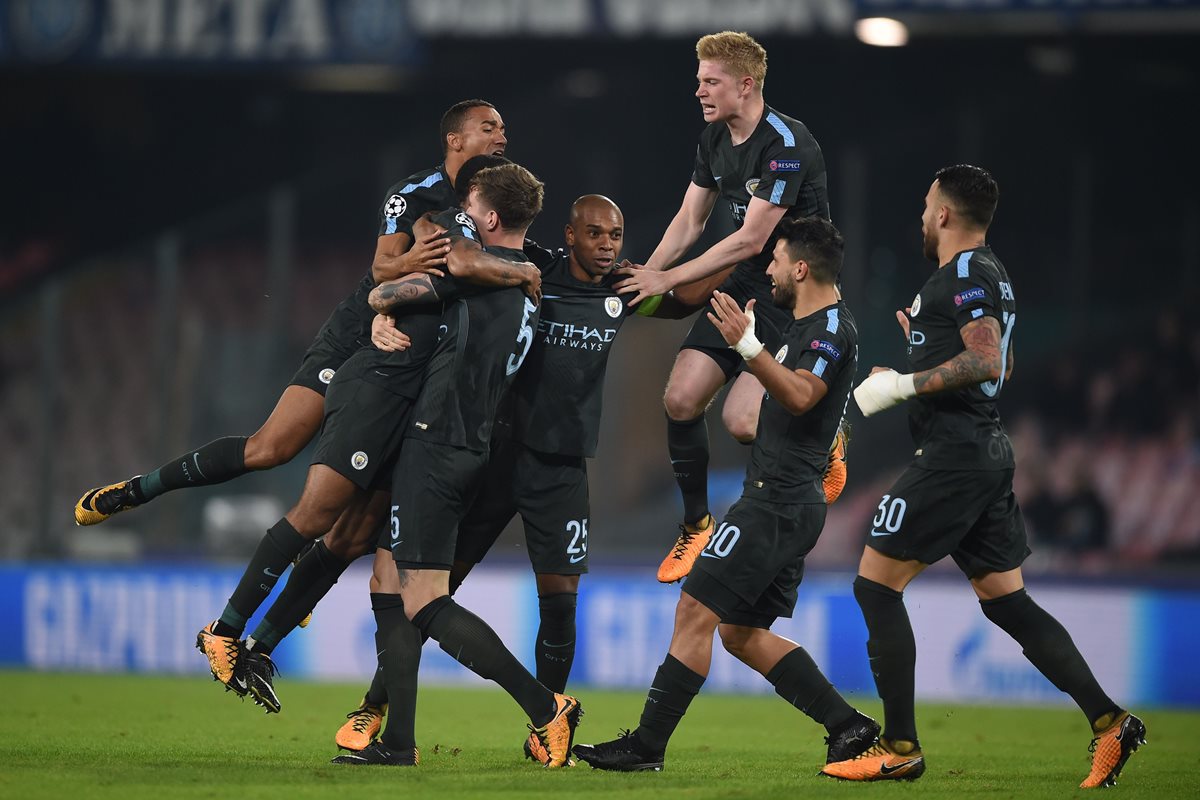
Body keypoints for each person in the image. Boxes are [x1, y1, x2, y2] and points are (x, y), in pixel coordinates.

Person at [822, 166, 1145, 788]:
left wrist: (905, 384)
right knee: (1008, 604)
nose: (920, 217)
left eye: (925, 206)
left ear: (943, 213)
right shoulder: (989, 276)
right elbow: (1004, 361)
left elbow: (988, 358)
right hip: (983, 453)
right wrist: (924, 344)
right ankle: (1110, 723)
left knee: (875, 587)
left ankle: (899, 746)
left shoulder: (966, 274)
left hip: (954, 456)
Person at [336, 195, 686, 759]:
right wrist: (384, 312)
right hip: (496, 456)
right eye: (595, 233)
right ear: (568, 235)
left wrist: (728, 261)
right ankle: (377, 705)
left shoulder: (625, 292)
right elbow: (459, 264)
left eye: (616, 235)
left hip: (563, 467)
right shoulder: (529, 271)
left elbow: (684, 295)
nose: (607, 245)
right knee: (434, 588)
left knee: (560, 600)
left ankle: (546, 727)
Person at [192, 155, 539, 713]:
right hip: (377, 390)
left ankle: (265, 651)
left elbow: (446, 281)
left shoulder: (501, 264)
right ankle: (226, 630)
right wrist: (386, 307)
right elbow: (383, 288)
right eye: (489, 130)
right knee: (317, 515)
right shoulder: (443, 226)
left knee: (352, 538)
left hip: (418, 417)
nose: (500, 138)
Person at [73, 99, 508, 526]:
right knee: (272, 448)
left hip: (417, 351)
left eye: (502, 129)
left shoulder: (495, 206)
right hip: (361, 331)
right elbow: (382, 268)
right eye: (489, 127)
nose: (501, 137)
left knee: (364, 512)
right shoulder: (415, 194)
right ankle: (140, 489)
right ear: (455, 139)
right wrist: (416, 264)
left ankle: (304, 592)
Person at [573, 217, 879, 772]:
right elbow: (750, 415)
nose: (769, 269)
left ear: (801, 268)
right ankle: (848, 725)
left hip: (777, 502)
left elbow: (803, 395)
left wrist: (747, 344)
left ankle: (645, 747)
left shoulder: (830, 330)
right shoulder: (807, 327)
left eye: (777, 260)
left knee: (694, 608)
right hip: (784, 500)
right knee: (741, 633)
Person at [332, 163, 583, 769]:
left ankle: (544, 707)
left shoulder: (482, 279)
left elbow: (382, 289)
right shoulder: (526, 284)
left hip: (437, 443)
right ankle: (397, 744)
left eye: (469, 212)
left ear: (490, 219)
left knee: (422, 600)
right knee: (395, 588)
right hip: (470, 446)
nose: (460, 223)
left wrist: (383, 302)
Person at [611, 31, 834, 584]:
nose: (700, 92)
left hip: (795, 293)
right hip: (745, 285)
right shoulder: (714, 140)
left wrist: (668, 278)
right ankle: (696, 524)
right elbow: (689, 220)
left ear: (746, 85)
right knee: (681, 399)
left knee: (739, 419)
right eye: (698, 82)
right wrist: (647, 275)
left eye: (710, 82)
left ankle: (825, 434)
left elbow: (751, 240)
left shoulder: (787, 143)